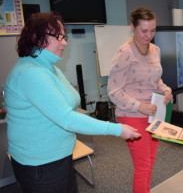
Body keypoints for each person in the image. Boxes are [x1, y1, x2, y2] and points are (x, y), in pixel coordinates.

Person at [4, 12, 140, 193]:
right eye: (58, 36)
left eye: (64, 36)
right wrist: (117, 129)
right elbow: (67, 118)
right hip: (40, 163)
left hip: (60, 155)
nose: (65, 42)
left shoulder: (49, 68)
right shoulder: (31, 73)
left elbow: (68, 106)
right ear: (37, 38)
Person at [107, 7, 173, 193]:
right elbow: (113, 91)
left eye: (152, 30)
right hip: (131, 114)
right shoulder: (124, 52)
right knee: (142, 166)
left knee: (150, 162)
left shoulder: (155, 49)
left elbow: (156, 79)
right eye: (144, 30)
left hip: (154, 113)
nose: (149, 35)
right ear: (132, 27)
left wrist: (165, 90)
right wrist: (139, 106)